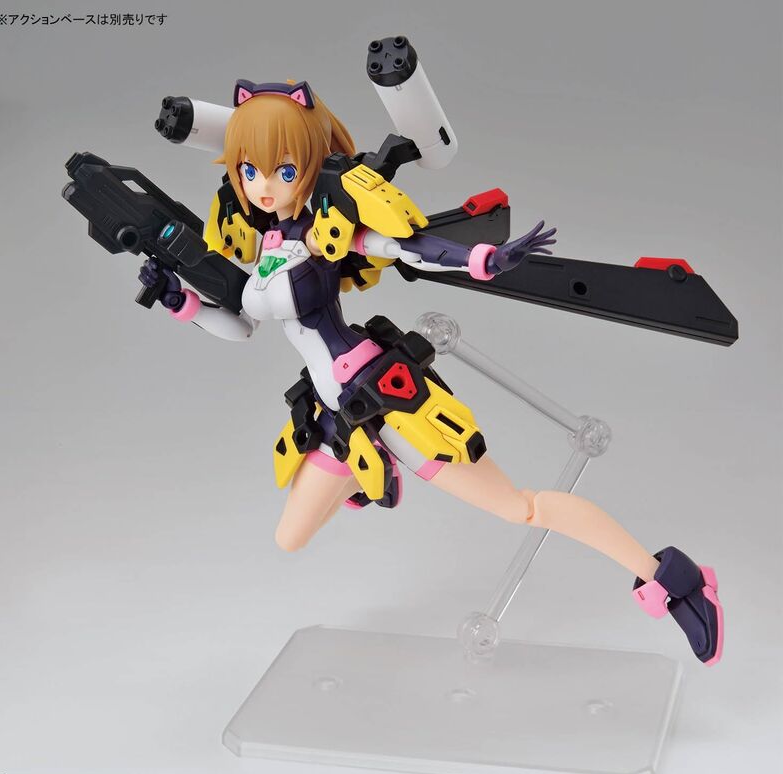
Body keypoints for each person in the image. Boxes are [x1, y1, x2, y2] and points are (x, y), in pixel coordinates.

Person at [139, 79, 723, 665]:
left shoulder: (326, 236)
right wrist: (178, 300)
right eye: (250, 171)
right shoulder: (268, 242)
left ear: (312, 166)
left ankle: (677, 582)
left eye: (283, 171)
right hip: (335, 417)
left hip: (384, 401)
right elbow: (241, 326)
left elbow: (409, 247)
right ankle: (370, 475)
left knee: (518, 507)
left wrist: (482, 258)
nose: (264, 186)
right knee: (289, 538)